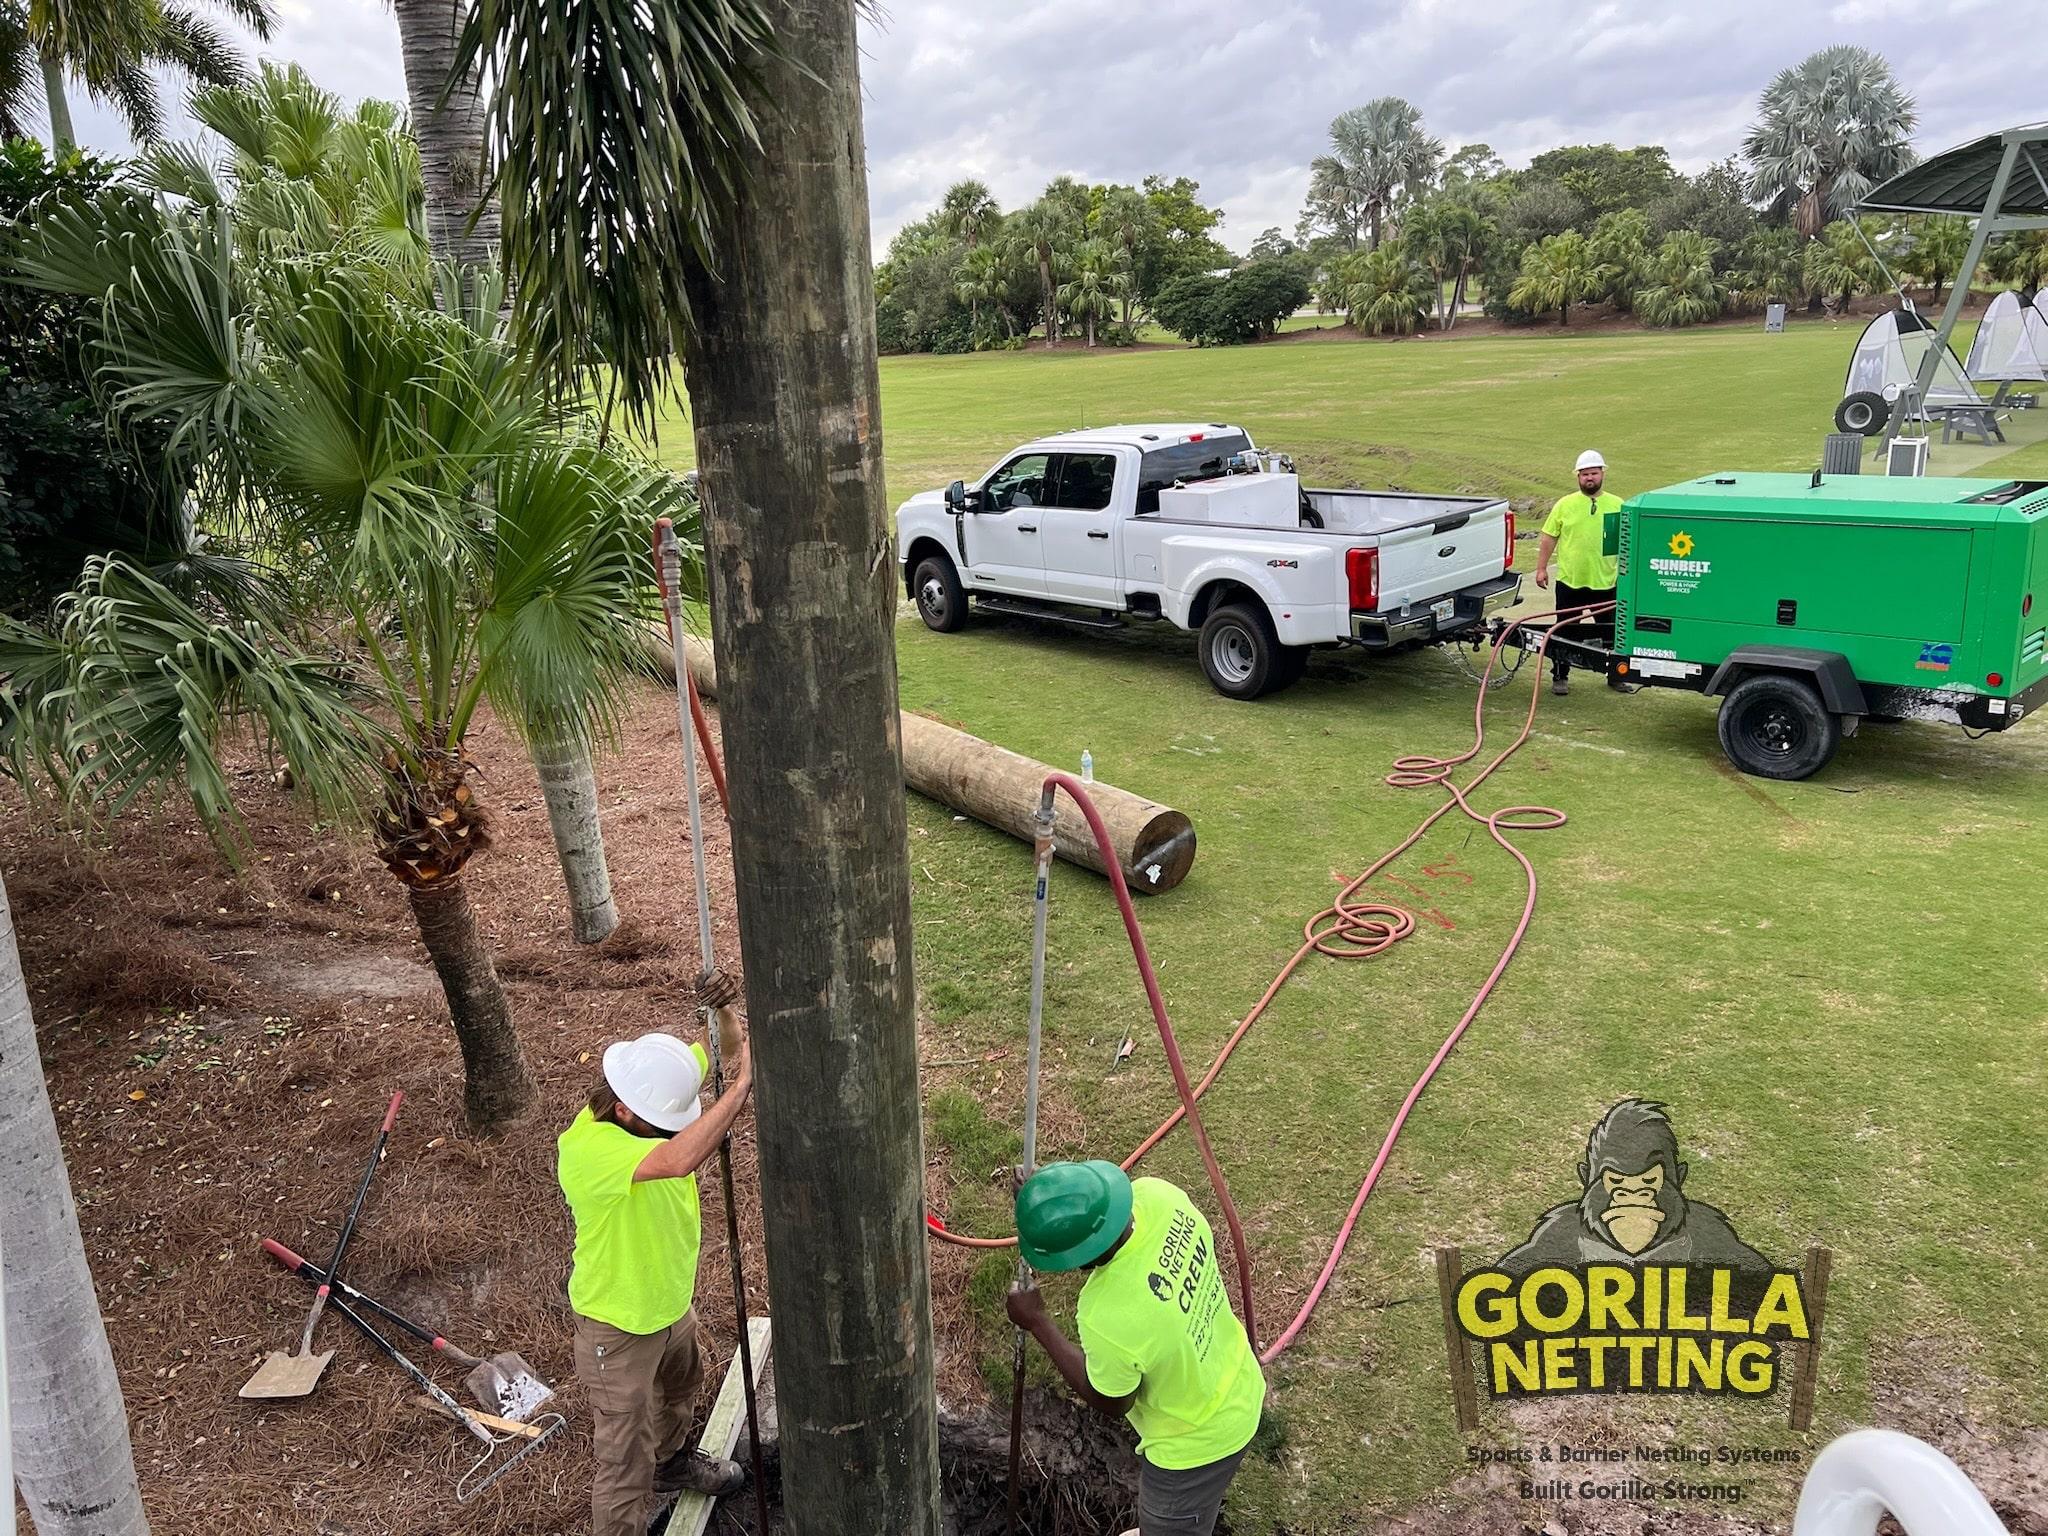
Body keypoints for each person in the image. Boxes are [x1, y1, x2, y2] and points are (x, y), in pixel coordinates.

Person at [557, 971, 755, 1536]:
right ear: (624, 1112)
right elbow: (677, 1159)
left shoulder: (649, 1086)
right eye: (665, 1125)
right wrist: (741, 1089)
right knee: (624, 1462)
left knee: (681, 1390)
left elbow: (721, 1048)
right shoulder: (589, 1150)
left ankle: (672, 1464)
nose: (673, 1130)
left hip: (668, 1304)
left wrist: (724, 1011)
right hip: (618, 1325)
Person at [1005, 1161, 1265, 1536]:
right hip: (1238, 1379)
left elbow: (1112, 1400)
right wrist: (1049, 1199)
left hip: (1195, 1445)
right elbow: (1090, 1205)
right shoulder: (1159, 1195)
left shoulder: (1108, 1312)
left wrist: (1039, 1323)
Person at [1534, 448, 1626, 695]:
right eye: (1585, 474)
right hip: (1570, 582)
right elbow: (1549, 537)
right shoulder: (1565, 505)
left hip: (1605, 582)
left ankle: (1616, 676)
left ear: (1602, 474)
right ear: (1578, 477)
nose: (1589, 478)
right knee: (1564, 631)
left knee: (1611, 633)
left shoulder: (1618, 505)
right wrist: (1541, 568)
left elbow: (1628, 541)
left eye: (1593, 473)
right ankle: (1560, 676)